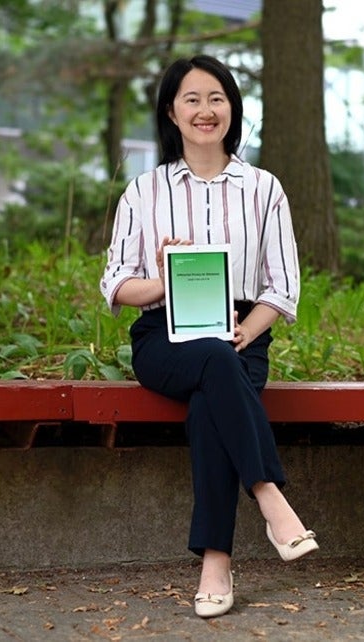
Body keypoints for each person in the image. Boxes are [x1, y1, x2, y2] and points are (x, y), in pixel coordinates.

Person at [99, 54, 319, 619]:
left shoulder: (264, 189)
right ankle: (271, 498)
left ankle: (215, 562)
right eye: (192, 99)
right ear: (171, 111)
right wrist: (162, 277)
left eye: (216, 98)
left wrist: (248, 329)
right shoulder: (143, 192)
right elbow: (116, 285)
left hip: (242, 333)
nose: (205, 110)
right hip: (163, 337)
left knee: (209, 401)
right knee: (212, 364)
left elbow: (283, 285)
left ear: (232, 109)